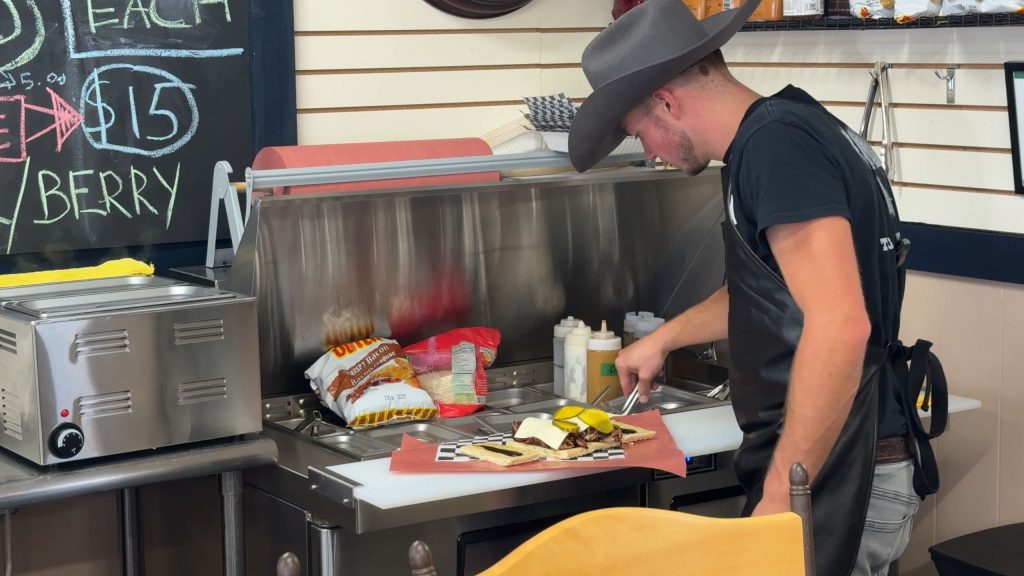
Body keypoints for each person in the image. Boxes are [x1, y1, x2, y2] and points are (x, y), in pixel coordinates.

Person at [567, 0, 946, 574]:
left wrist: (784, 495)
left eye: (638, 132)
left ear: (666, 102)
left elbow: (841, 326)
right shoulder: (789, 129)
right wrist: (664, 339)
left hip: (841, 470)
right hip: (842, 459)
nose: (649, 152)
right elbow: (770, 294)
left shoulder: (775, 149)